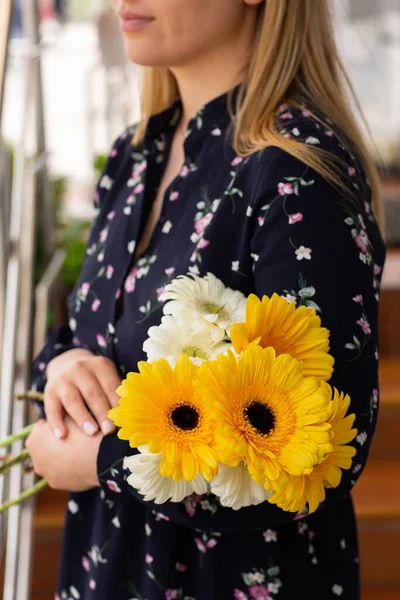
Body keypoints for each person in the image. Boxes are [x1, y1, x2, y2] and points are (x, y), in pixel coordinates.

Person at [26, 1, 386, 599]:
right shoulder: (135, 154)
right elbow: (89, 332)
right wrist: (63, 365)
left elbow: (324, 449)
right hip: (112, 570)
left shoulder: (294, 175)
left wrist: (103, 463)